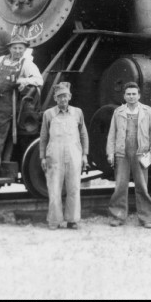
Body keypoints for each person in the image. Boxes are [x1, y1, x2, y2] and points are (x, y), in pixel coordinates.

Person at [0, 35, 43, 178]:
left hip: (5, 104)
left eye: (20, 48)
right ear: (10, 48)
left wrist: (21, 80)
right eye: (15, 48)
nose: (17, 51)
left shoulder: (26, 64)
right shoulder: (0, 60)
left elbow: (39, 80)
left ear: (24, 50)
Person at [106, 82, 151, 228]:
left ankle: (146, 218)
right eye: (128, 94)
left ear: (139, 95)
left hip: (141, 153)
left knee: (142, 186)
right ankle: (117, 216)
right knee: (120, 186)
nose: (131, 96)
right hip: (122, 152)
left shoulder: (148, 111)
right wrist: (110, 153)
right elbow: (112, 134)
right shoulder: (118, 112)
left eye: (134, 94)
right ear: (124, 96)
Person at [39, 82, 89, 230]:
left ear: (70, 97)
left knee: (73, 188)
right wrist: (42, 157)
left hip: (74, 155)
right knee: (54, 188)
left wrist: (85, 154)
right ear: (55, 98)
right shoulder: (48, 114)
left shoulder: (78, 112)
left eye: (65, 96)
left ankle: (72, 220)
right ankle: (54, 220)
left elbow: (83, 134)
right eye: (59, 96)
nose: (63, 99)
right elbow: (43, 137)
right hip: (54, 156)